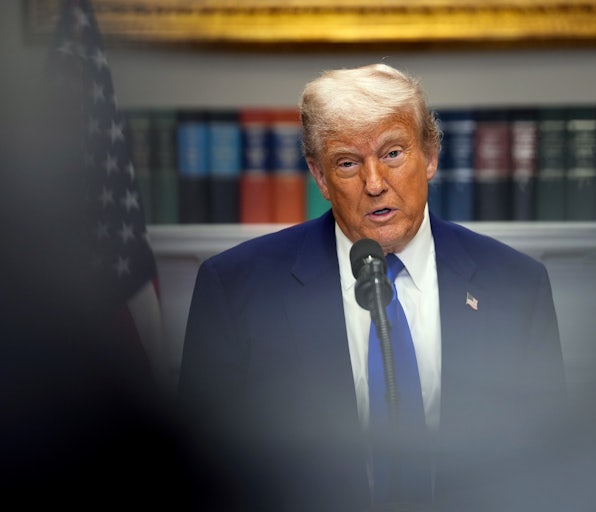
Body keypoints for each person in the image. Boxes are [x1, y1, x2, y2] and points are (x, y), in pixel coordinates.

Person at [178, 63, 569, 512]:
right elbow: (202, 474)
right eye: (347, 163)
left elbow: (548, 466)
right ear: (320, 177)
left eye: (393, 153)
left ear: (431, 155)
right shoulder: (236, 290)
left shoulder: (516, 286)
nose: (375, 183)